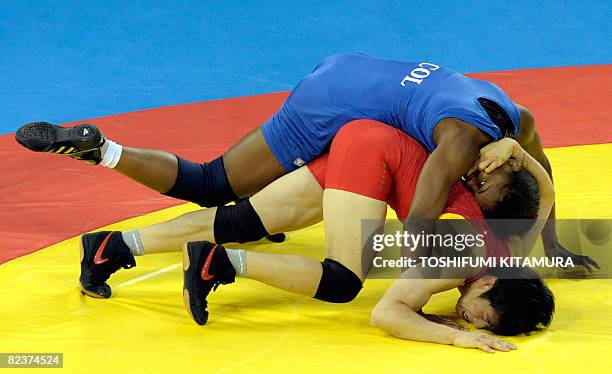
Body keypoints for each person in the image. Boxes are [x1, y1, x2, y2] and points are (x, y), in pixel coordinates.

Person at [15, 53, 597, 269]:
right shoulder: (460, 143)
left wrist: (552, 244)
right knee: (213, 183)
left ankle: (103, 149)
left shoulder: (516, 120)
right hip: (332, 102)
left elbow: (546, 179)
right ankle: (104, 150)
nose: (472, 184)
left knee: (281, 191)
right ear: (496, 162)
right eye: (480, 189)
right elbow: (417, 225)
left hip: (356, 69)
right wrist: (448, 263)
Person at [81, 120, 554, 352]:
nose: (472, 322)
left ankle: (111, 248)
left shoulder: (516, 242)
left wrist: (515, 148)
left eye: (477, 328)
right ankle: (219, 264)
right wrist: (455, 341)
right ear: (489, 283)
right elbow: (387, 314)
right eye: (483, 320)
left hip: (371, 142)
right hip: (374, 157)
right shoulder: (460, 259)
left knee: (241, 221)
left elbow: (547, 191)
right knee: (343, 280)